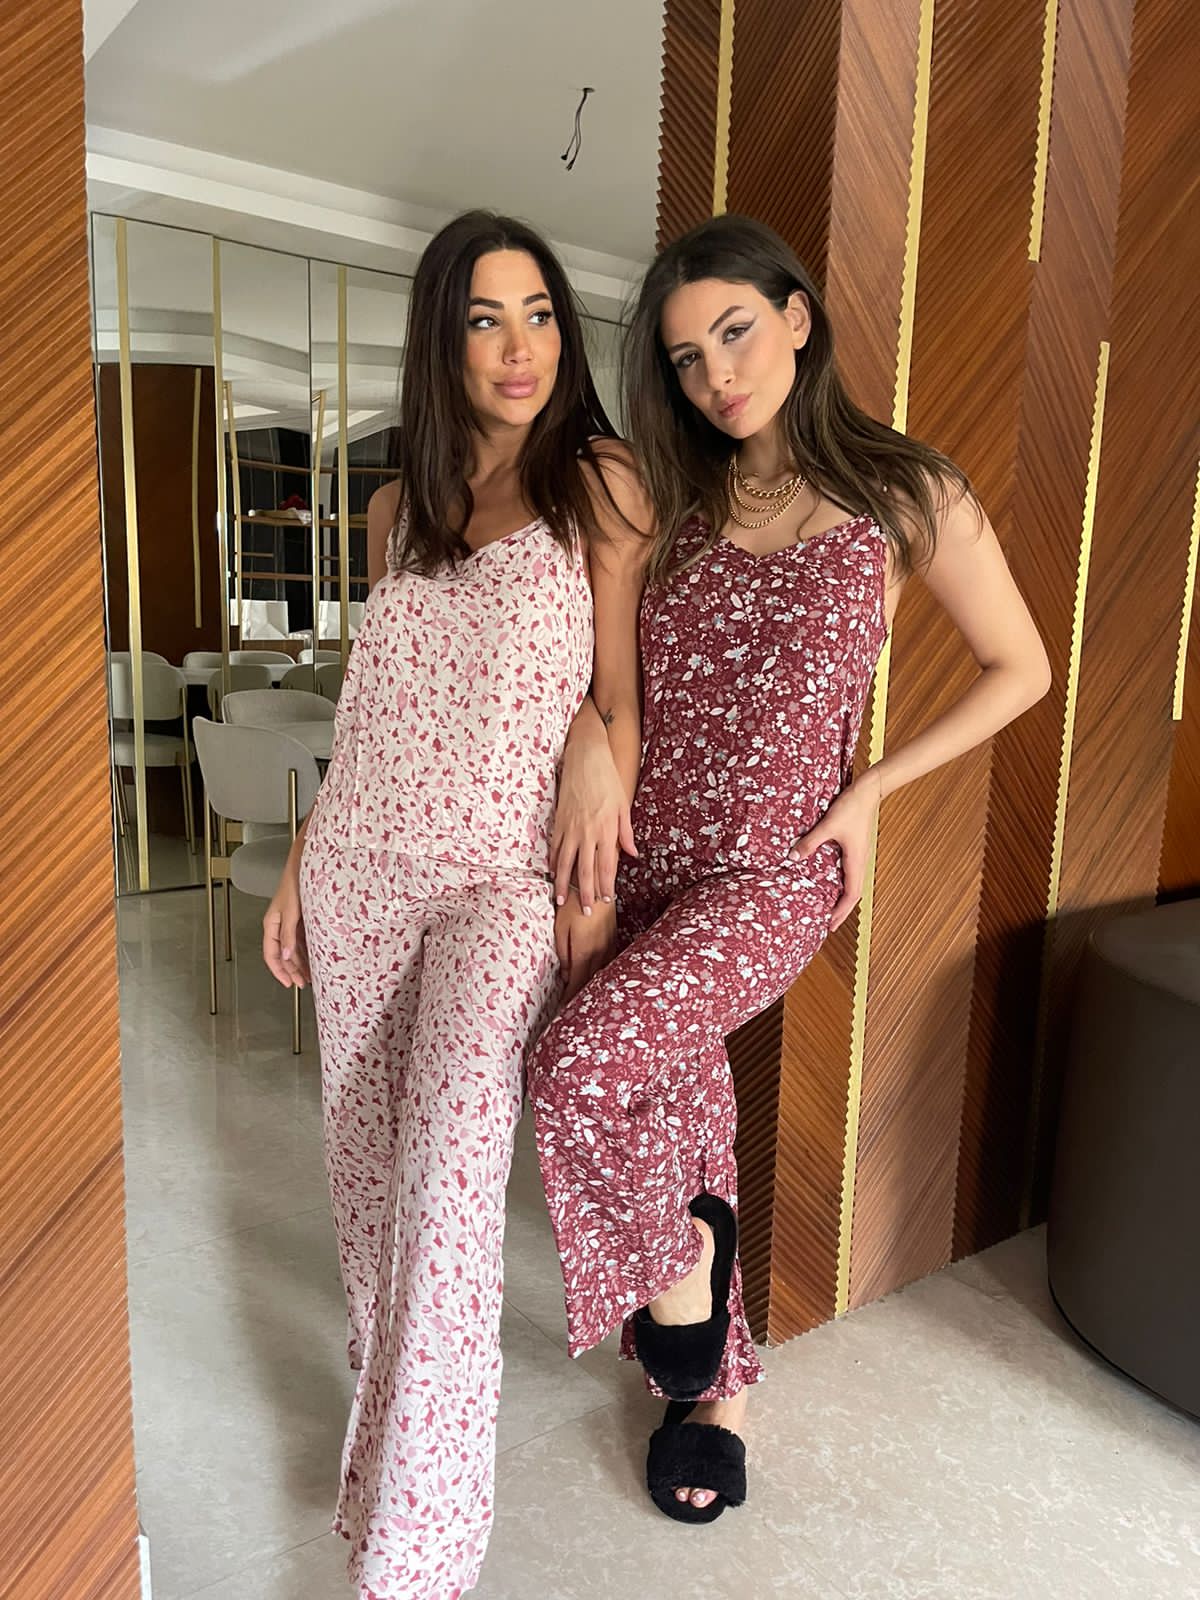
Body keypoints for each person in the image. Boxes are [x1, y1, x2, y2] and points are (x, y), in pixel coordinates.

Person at [527, 213, 1051, 1525]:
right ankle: (722, 1390)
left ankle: (685, 1276)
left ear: (798, 318)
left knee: (578, 1065)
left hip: (773, 871)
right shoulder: (679, 499)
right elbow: (607, 668)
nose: (716, 375)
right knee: (679, 1108)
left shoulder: (903, 491)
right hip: (647, 854)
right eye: (689, 357)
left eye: (736, 332)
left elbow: (1023, 668)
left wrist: (870, 789)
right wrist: (594, 744)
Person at [261, 210, 647, 1600]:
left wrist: (595, 768)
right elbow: (370, 713)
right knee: (367, 1191)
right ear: (443, 339)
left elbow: (621, 701)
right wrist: (307, 853)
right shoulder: (392, 510)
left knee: (449, 1190)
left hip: (500, 884)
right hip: (366, 865)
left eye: (539, 311)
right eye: (485, 317)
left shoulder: (599, 481)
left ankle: (414, 1560)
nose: (520, 344)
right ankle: (387, 1426)